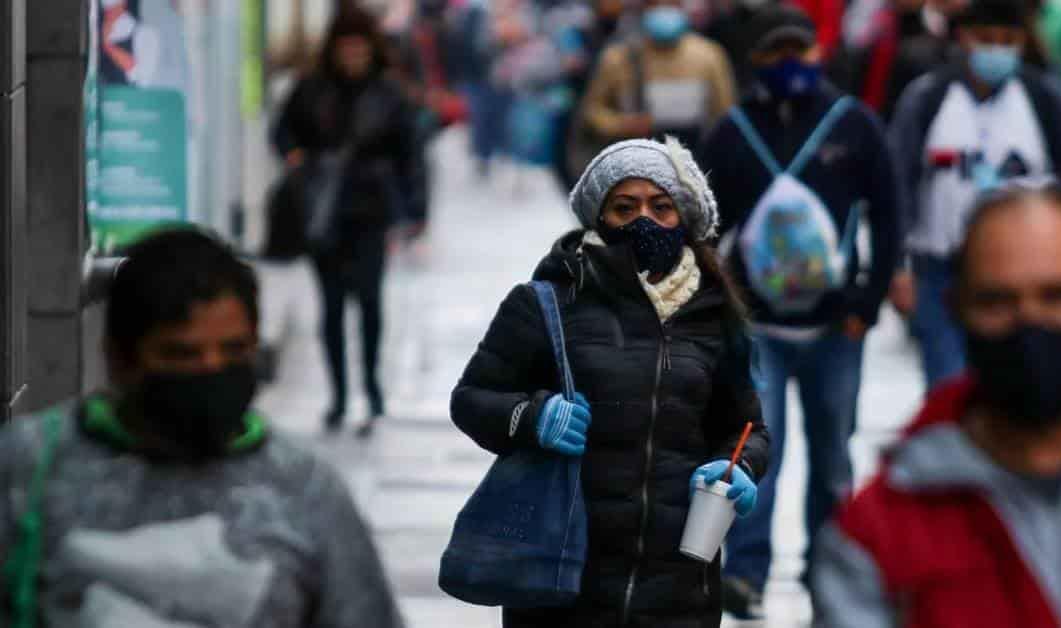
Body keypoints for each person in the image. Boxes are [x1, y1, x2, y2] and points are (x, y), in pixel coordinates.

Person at [811, 185, 1061, 628]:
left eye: (1058, 296)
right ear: (957, 312)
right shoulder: (880, 535)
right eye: (997, 302)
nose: (1030, 323)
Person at [0, 228, 403, 627]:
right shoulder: (30, 466)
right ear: (120, 359)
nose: (211, 370)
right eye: (182, 353)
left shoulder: (305, 488)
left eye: (233, 350)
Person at [450, 137, 769, 627]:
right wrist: (533, 417)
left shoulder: (714, 314)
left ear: (683, 217)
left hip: (679, 588)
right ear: (599, 216)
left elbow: (748, 428)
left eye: (661, 207)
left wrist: (737, 465)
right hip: (564, 580)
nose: (644, 220)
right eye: (625, 207)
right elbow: (473, 400)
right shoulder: (547, 302)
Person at [697, 5, 902, 619]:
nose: (791, 65)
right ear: (755, 61)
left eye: (801, 52)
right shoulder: (732, 132)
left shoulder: (854, 126)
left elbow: (889, 215)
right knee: (761, 451)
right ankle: (747, 574)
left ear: (820, 54)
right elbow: (707, 227)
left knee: (834, 453)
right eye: (776, 54)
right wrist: (717, 308)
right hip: (759, 328)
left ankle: (827, 572)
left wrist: (869, 301)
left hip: (837, 325)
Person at [889, 0, 1061, 389]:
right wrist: (897, 266)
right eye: (986, 39)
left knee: (1016, 387)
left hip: (1024, 273)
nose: (996, 50)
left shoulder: (1044, 101)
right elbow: (899, 181)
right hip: (941, 271)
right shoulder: (929, 98)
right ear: (964, 38)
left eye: (1007, 41)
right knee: (948, 388)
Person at [272, 6, 424, 435]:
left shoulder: (389, 93)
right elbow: (282, 131)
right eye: (346, 48)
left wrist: (416, 212)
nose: (353, 56)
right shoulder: (311, 88)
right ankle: (339, 395)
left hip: (370, 211)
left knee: (370, 303)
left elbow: (410, 155)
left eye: (360, 48)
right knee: (332, 306)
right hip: (324, 212)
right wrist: (296, 158)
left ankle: (372, 391)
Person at [578, 0, 737, 151]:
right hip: (637, 159)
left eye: (671, 2)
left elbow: (725, 115)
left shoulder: (709, 55)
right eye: (654, 2)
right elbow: (591, 113)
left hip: (695, 158)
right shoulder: (619, 57)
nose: (663, 7)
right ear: (642, 7)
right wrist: (623, 125)